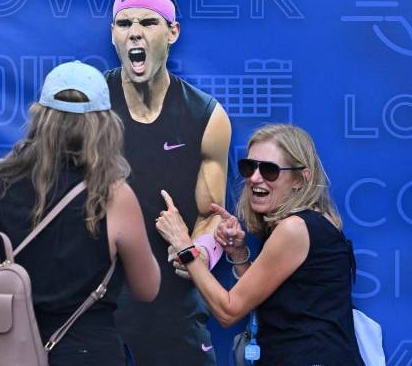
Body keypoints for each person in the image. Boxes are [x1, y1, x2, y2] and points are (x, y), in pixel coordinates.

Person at [0, 61, 160, 366]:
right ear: (104, 126)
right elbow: (147, 289)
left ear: (40, 117)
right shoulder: (112, 196)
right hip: (85, 353)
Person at [156, 123, 364, 365]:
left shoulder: (294, 229)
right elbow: (278, 301)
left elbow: (229, 311)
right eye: (249, 167)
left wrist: (184, 244)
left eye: (269, 170)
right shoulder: (309, 224)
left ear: (300, 179)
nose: (254, 178)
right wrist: (238, 253)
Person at [106, 0, 232, 366]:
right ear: (113, 35)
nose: (135, 33)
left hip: (171, 306)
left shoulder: (206, 116)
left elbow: (212, 213)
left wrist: (198, 250)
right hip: (93, 304)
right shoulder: (89, 111)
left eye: (148, 22)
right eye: (124, 24)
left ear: (172, 32)